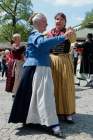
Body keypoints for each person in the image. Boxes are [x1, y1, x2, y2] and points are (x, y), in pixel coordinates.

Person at [8, 13, 74, 138]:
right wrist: (63, 37)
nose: (47, 24)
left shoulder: (37, 35)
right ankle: (52, 125)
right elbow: (43, 44)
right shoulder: (35, 35)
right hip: (39, 69)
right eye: (45, 22)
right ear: (38, 23)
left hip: (36, 68)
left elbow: (35, 49)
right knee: (45, 96)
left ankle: (32, 120)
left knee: (33, 97)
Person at [47, 12, 76, 123]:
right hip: (52, 61)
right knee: (53, 87)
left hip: (64, 61)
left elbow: (73, 40)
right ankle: (54, 111)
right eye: (57, 19)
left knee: (66, 86)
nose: (59, 21)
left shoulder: (68, 31)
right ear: (54, 20)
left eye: (61, 19)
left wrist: (71, 32)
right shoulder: (49, 32)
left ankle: (68, 112)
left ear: (65, 21)